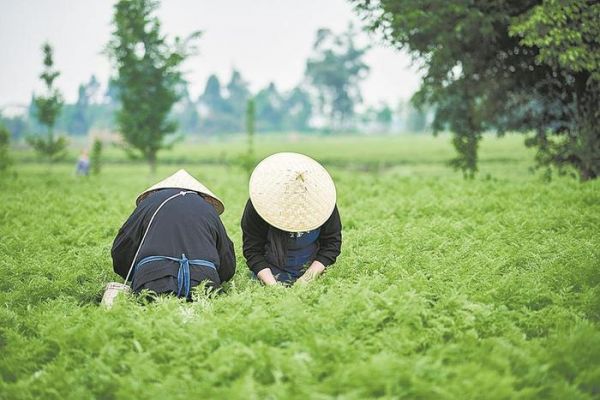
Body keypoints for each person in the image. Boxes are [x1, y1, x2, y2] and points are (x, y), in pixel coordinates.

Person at [111, 169, 235, 299]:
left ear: (158, 190)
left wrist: (134, 275)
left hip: (151, 283)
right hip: (204, 286)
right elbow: (227, 260)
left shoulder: (149, 203)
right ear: (200, 193)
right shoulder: (208, 210)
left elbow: (122, 247)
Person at [241, 152, 342, 285]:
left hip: (314, 274)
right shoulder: (258, 204)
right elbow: (252, 250)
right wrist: (272, 286)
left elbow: (331, 244)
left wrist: (307, 279)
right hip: (269, 274)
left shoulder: (324, 203)